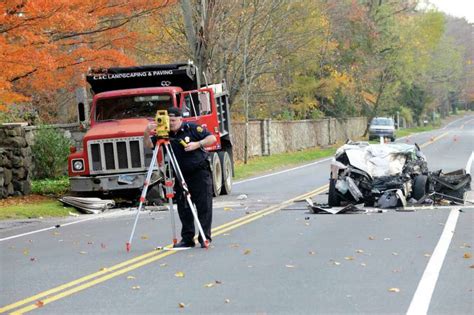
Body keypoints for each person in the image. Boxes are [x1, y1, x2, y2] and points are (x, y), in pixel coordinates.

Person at [144, 107, 216, 248]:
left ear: (180, 119)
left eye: (173, 120)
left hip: (199, 173)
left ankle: (204, 238)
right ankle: (187, 238)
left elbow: (212, 138)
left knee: (204, 207)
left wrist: (198, 144)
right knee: (184, 208)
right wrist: (146, 132)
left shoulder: (192, 128)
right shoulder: (164, 133)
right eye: (168, 120)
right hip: (180, 174)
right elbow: (149, 145)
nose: (170, 123)